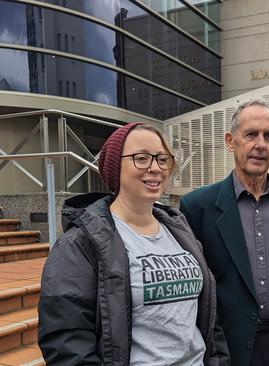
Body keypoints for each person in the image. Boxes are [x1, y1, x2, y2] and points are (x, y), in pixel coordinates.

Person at [38, 123, 229, 365]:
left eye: (162, 159)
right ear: (115, 166)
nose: (155, 168)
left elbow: (208, 316)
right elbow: (66, 340)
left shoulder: (180, 231)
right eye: (141, 158)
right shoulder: (80, 244)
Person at [180, 99, 269, 366]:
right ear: (231, 141)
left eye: (268, 136)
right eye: (250, 134)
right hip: (226, 348)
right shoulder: (197, 207)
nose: (260, 144)